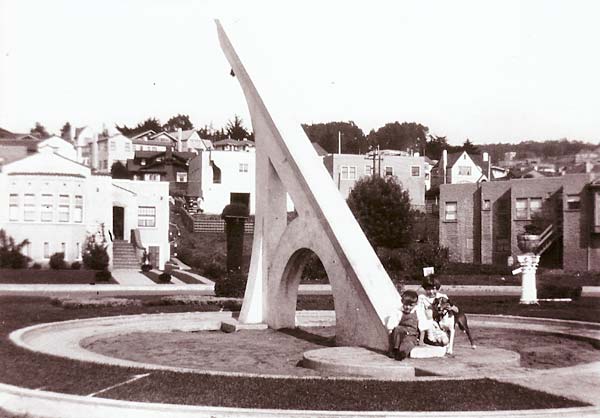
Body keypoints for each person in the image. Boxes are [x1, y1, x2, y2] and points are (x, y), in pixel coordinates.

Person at [417, 275, 455, 347]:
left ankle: (435, 338)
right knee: (428, 312)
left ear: (437, 288)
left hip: (439, 326)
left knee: (444, 341)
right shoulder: (422, 298)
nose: (431, 292)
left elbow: (455, 309)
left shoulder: (442, 297)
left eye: (433, 289)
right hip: (426, 325)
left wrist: (451, 308)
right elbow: (420, 314)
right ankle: (425, 337)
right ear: (425, 289)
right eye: (428, 289)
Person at [386, 290, 420, 361]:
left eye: (411, 305)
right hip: (401, 333)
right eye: (406, 304)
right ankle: (394, 349)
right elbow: (392, 325)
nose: (407, 307)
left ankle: (402, 353)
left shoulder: (417, 312)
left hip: (411, 335)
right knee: (397, 329)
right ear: (402, 302)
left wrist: (421, 341)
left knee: (408, 343)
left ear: (415, 304)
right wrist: (391, 339)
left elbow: (422, 326)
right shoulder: (399, 312)